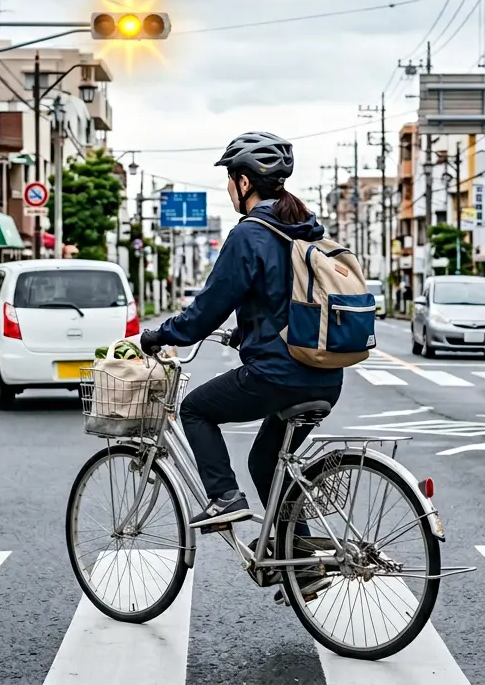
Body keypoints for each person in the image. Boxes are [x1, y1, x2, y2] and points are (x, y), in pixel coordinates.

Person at [138, 131, 343, 528]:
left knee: (195, 409)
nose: (229, 187)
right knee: (265, 462)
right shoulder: (304, 229)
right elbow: (286, 302)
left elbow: (207, 309)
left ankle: (224, 498)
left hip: (278, 374)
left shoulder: (249, 233)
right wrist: (245, 334)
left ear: (244, 182)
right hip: (326, 377)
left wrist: (160, 335)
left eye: (230, 178)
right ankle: (299, 564)